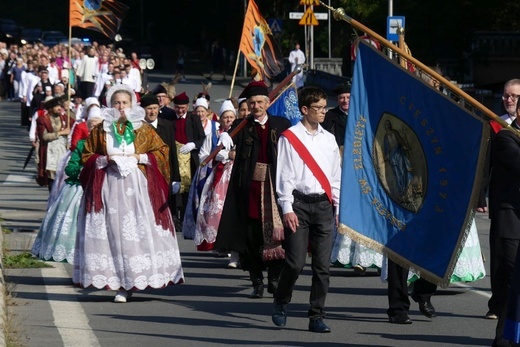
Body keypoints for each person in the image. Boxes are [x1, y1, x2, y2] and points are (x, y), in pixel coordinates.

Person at [74, 84, 184, 303]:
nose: (121, 107)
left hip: (138, 190)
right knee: (112, 234)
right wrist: (105, 160)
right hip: (108, 187)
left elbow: (161, 152)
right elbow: (86, 156)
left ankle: (136, 277)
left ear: (132, 105)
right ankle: (117, 281)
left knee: (136, 233)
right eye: (117, 103)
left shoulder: (142, 128)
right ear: (109, 105)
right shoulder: (100, 130)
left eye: (125, 103)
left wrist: (140, 158)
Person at [271, 86, 341, 333]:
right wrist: (287, 208)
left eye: (324, 107)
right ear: (304, 110)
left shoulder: (329, 139)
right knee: (295, 263)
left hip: (323, 206)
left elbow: (335, 178)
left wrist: (338, 208)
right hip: (298, 206)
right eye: (318, 108)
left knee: (322, 266)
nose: (323, 112)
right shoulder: (289, 138)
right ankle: (281, 300)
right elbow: (284, 177)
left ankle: (316, 315)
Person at [214, 81, 291, 299]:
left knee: (276, 234)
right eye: (252, 102)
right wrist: (225, 137)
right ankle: (256, 281)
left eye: (259, 102)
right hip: (248, 189)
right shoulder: (241, 125)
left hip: (274, 188)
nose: (256, 106)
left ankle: (274, 278)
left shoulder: (281, 124)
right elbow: (225, 146)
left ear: (268, 103)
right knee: (250, 237)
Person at [31, 106, 104, 263]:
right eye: (91, 126)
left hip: (99, 189)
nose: (94, 129)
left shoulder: (106, 146)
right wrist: (82, 171)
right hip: (78, 189)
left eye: (98, 126)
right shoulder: (82, 144)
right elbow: (71, 167)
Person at [487, 78, 520, 320]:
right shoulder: (502, 132)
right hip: (506, 206)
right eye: (506, 95)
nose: (509, 99)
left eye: (514, 96)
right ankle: (499, 307)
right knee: (505, 263)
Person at [194, 99, 237, 267]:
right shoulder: (214, 135)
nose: (228, 120)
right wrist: (223, 156)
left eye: (231, 117)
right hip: (218, 177)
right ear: (220, 118)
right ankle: (219, 243)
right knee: (216, 211)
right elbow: (204, 155)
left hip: (234, 175)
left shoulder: (239, 132)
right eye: (225, 117)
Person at [140, 92, 181, 215]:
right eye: (149, 109)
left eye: (155, 108)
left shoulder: (167, 125)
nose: (152, 112)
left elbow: (173, 152)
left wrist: (176, 178)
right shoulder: (139, 127)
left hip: (165, 172)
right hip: (146, 172)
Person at [171, 91, 206, 230]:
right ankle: (175, 218)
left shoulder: (194, 119)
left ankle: (187, 217)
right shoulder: (170, 118)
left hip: (190, 159)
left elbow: (202, 138)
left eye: (182, 107)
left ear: (187, 106)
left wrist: (193, 144)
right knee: (175, 188)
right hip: (175, 157)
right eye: (177, 107)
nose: (180, 110)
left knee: (188, 189)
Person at [35, 96, 74, 191]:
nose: (59, 108)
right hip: (50, 151)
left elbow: (75, 126)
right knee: (52, 178)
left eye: (60, 106)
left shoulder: (66, 118)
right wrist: (61, 133)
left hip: (63, 150)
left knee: (62, 176)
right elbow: (44, 137)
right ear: (50, 108)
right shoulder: (43, 120)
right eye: (57, 106)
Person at [322, 82, 350, 153]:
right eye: (342, 98)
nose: (345, 101)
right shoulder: (329, 116)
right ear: (337, 100)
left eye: (348, 97)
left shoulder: (361, 116)